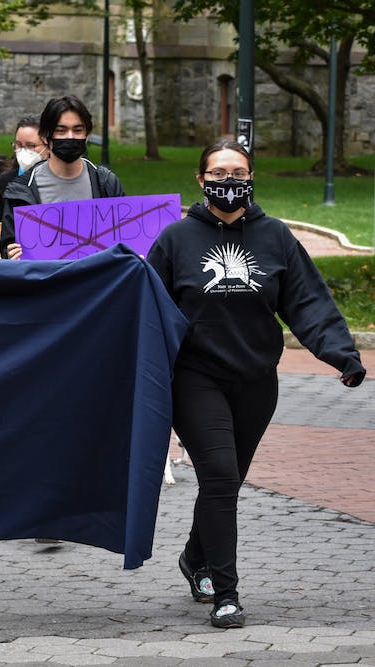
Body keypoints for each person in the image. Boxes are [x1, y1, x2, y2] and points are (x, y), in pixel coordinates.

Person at [147, 139, 366, 629]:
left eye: (239, 171)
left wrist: (341, 355)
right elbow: (147, 309)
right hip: (195, 377)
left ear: (252, 177)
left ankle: (193, 557)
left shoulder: (275, 237)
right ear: (201, 181)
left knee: (228, 482)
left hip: (255, 381)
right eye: (219, 172)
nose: (230, 181)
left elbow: (307, 302)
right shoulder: (175, 240)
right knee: (221, 477)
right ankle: (227, 593)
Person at [0, 96, 124, 259]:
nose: (70, 136)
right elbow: (8, 248)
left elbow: (124, 241)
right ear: (45, 136)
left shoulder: (106, 183)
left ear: (87, 136)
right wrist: (11, 256)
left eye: (78, 130)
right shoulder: (21, 190)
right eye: (61, 130)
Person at [0, 117, 49, 223]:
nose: (24, 151)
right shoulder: (4, 182)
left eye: (31, 145)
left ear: (48, 147)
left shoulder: (57, 180)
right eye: (18, 145)